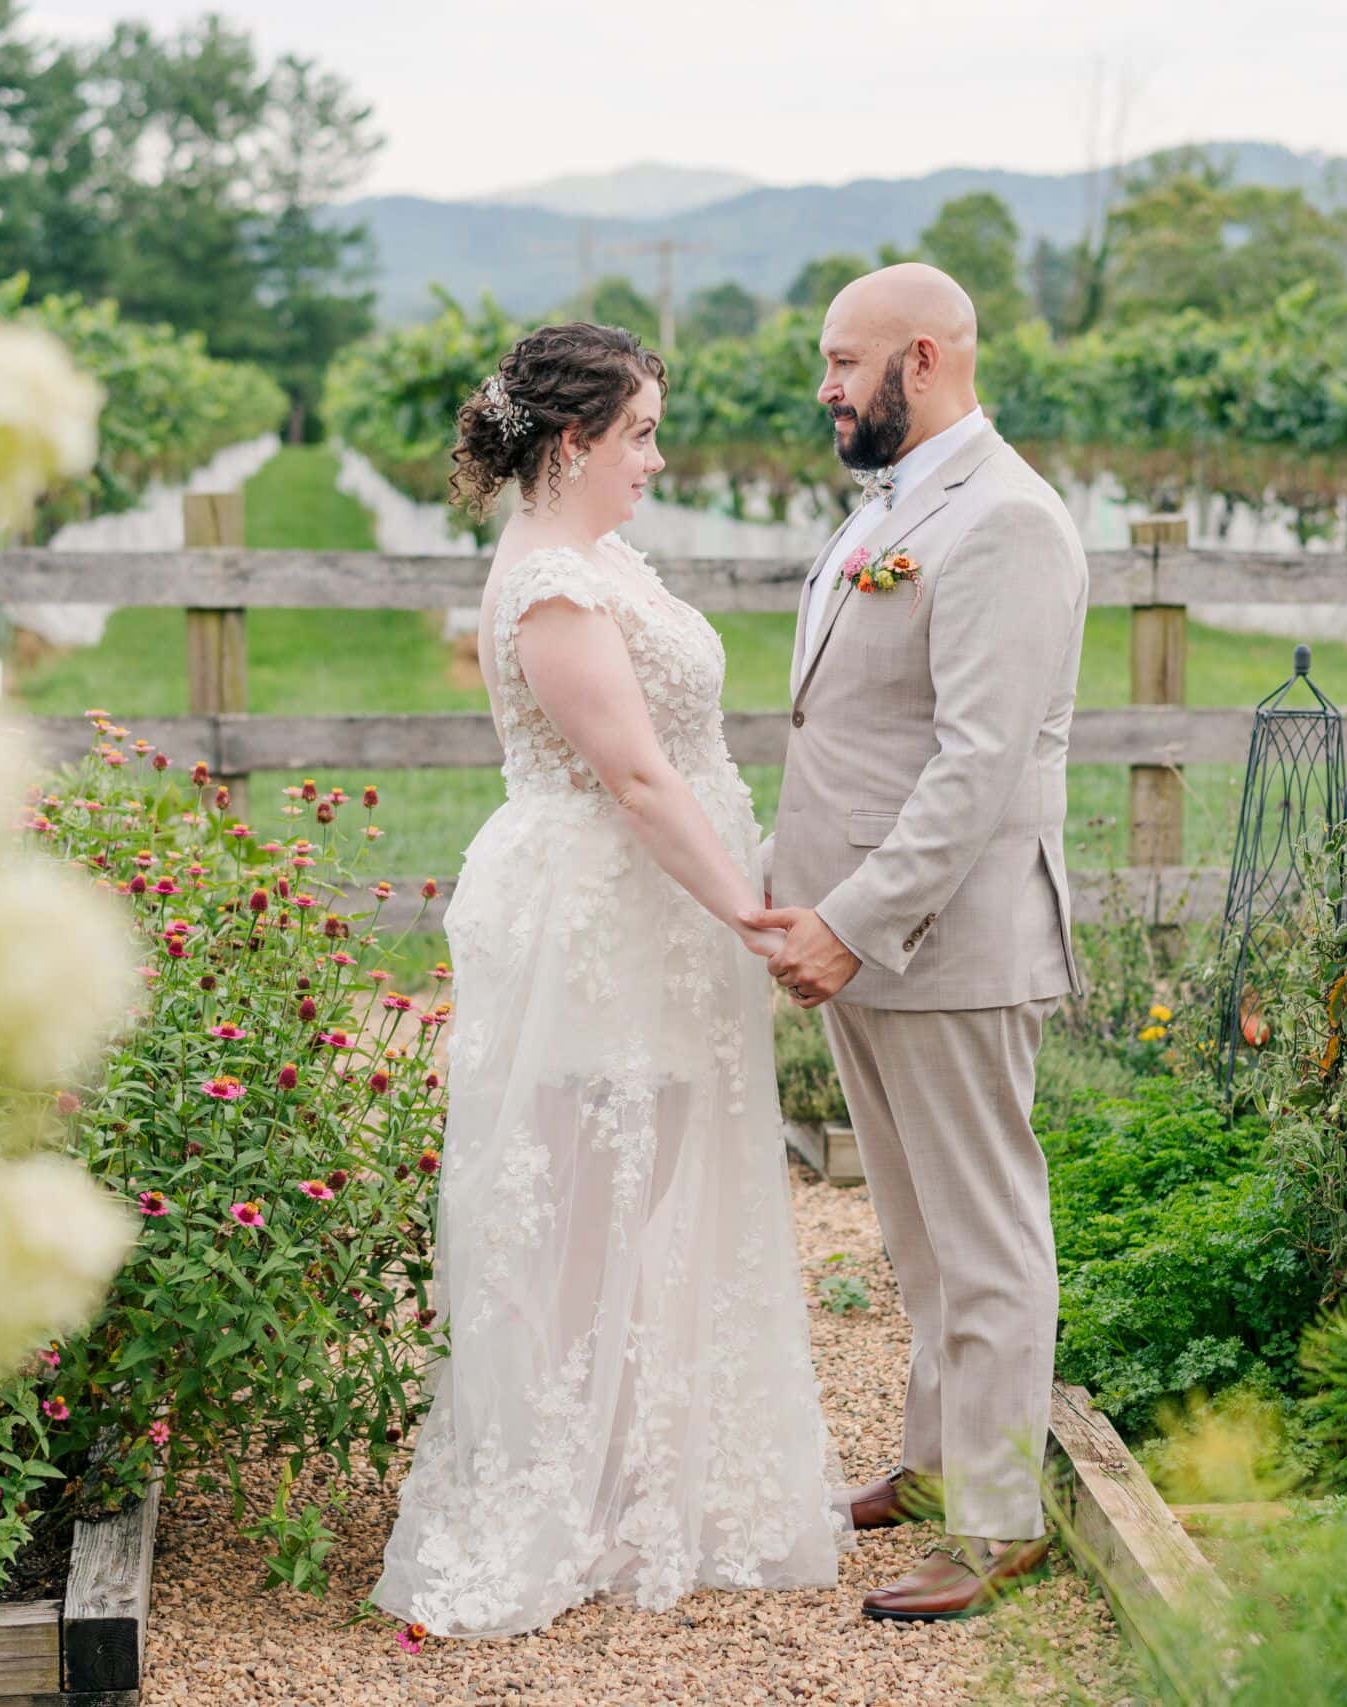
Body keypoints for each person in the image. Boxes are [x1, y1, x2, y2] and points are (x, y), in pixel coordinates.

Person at [372, 322, 849, 1639]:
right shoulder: (549, 589)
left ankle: (635, 1473)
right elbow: (635, 777)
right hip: (597, 917)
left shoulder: (597, 554)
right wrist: (756, 915)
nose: (656, 454)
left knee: (649, 1178)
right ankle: (555, 1499)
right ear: (573, 441)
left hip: (657, 919)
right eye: (638, 431)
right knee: (582, 1203)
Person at [744, 262, 1090, 1622]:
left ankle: (1000, 1518)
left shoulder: (1007, 522)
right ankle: (941, 1465)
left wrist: (853, 918)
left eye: (844, 362)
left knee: (987, 1233)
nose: (825, 388)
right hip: (863, 934)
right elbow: (847, 729)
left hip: (943, 937)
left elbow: (981, 764)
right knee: (917, 1235)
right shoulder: (893, 507)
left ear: (926, 357)